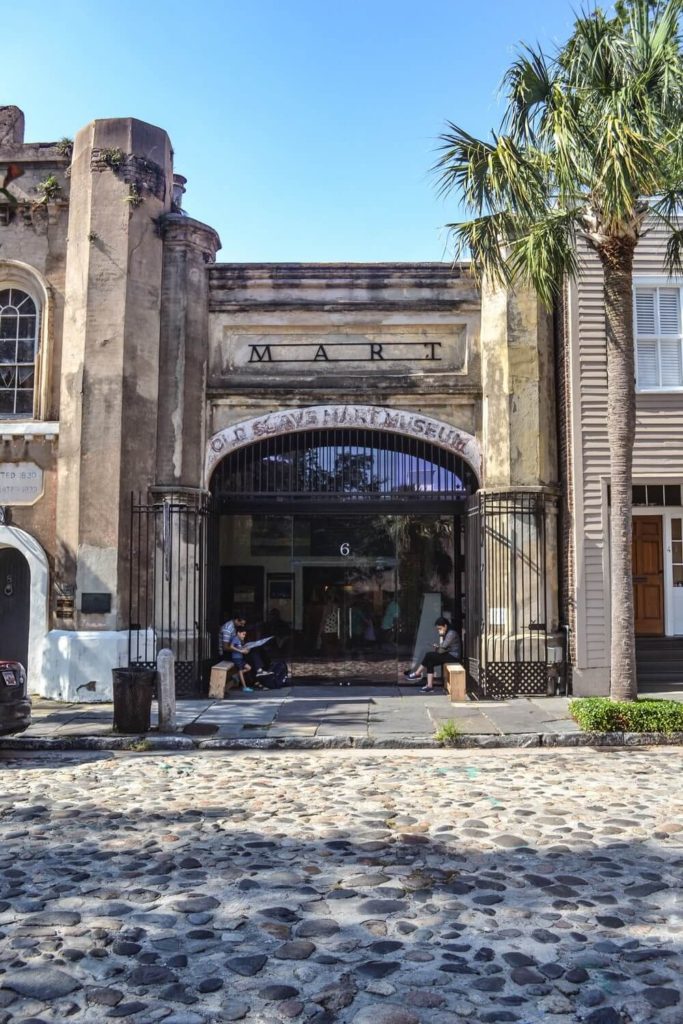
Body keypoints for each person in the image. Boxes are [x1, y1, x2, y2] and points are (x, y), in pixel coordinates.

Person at [403, 617, 461, 693]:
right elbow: (442, 648)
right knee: (430, 661)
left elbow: (443, 647)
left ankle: (417, 673)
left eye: (440, 628)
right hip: (448, 654)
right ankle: (429, 686)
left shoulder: (451, 634)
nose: (439, 630)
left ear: (445, 626)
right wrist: (437, 647)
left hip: (453, 656)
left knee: (429, 655)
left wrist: (437, 647)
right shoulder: (448, 633)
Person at [219, 611, 268, 676]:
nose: (243, 625)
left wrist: (244, 646)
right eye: (241, 623)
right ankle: (257, 674)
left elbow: (235, 642)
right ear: (236, 620)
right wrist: (241, 650)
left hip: (233, 650)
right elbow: (225, 647)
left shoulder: (234, 626)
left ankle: (260, 672)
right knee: (251, 657)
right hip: (226, 654)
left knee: (255, 650)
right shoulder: (227, 629)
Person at [228, 628, 254, 692]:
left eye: (245, 634)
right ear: (238, 633)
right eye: (243, 634)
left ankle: (236, 675)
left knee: (249, 668)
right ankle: (244, 687)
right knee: (240, 671)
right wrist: (241, 651)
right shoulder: (235, 638)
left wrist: (246, 650)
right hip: (236, 658)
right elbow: (231, 646)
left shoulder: (239, 640)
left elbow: (241, 649)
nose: (244, 636)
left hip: (240, 658)